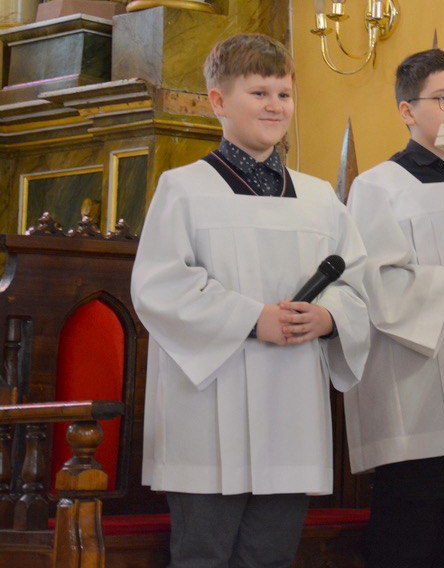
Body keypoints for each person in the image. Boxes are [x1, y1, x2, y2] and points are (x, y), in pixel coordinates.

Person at [131, 34, 372, 568]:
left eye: (284, 94)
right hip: (208, 406)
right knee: (204, 555)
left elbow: (358, 282)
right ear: (219, 101)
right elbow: (159, 286)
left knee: (271, 555)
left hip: (291, 406)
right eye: (259, 93)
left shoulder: (319, 197)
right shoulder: (184, 188)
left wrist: (329, 316)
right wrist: (252, 318)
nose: (274, 106)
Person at [344, 49, 444, 568]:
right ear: (407, 111)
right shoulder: (378, 187)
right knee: (409, 536)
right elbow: (374, 282)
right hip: (414, 381)